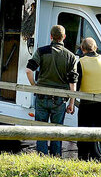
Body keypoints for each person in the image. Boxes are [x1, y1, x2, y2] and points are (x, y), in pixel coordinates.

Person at [25, 25, 78, 156]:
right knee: (57, 131)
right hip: (59, 101)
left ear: (51, 36)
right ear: (64, 37)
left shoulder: (41, 51)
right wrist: (71, 103)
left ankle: (42, 158)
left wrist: (34, 86)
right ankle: (55, 158)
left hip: (42, 97)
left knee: (41, 130)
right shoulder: (71, 56)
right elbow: (72, 83)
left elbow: (28, 70)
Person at [76, 37, 101, 161]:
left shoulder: (81, 62)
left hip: (87, 103)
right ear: (96, 48)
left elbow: (78, 84)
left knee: (84, 131)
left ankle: (84, 158)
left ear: (82, 49)